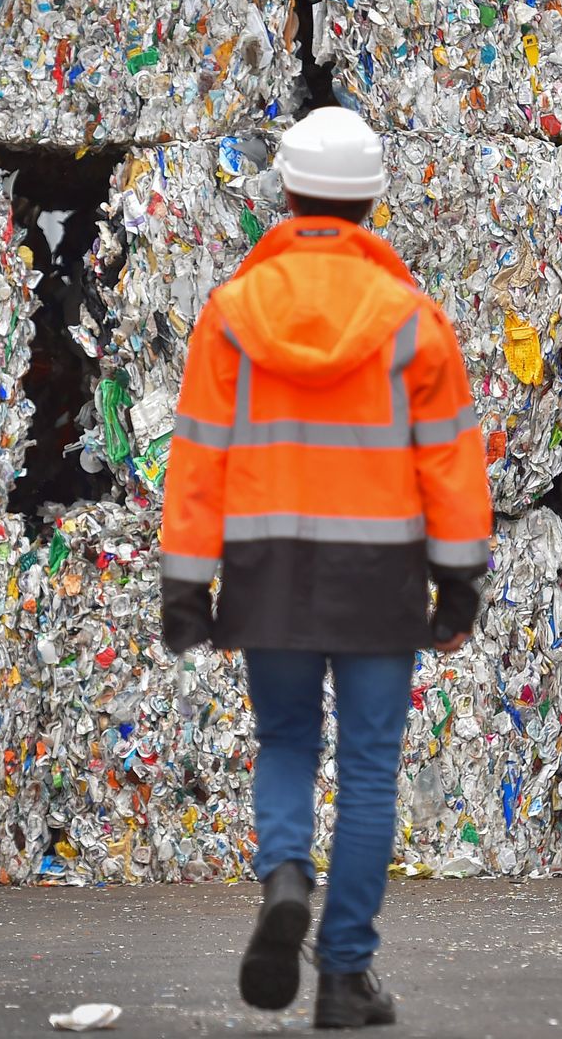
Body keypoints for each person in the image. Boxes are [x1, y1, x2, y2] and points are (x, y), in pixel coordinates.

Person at [157, 106, 493, 1029]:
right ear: (373, 201)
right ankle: (344, 978)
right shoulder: (412, 322)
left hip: (268, 573)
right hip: (381, 576)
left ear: (288, 191)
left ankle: (284, 876)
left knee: (288, 744)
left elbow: (198, 459)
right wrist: (460, 577)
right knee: (372, 768)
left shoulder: (230, 314)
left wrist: (186, 583)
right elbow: (450, 462)